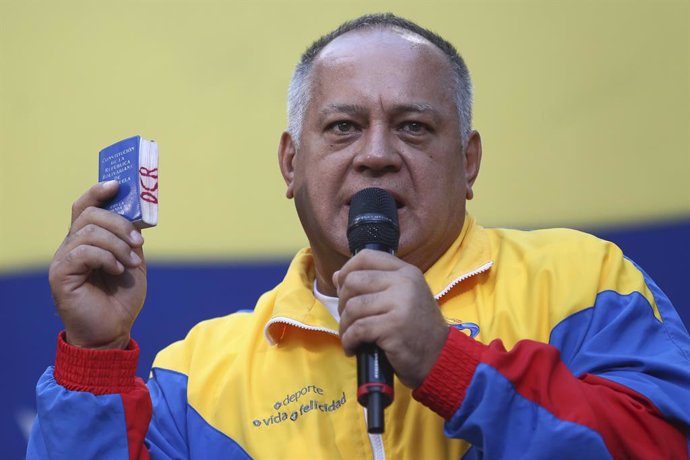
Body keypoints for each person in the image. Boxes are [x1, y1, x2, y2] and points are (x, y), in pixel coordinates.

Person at [28, 13, 690, 459]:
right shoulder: (199, 376)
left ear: (469, 163)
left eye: (413, 127)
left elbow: (663, 444)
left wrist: (447, 363)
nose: (376, 154)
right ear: (291, 163)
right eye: (343, 127)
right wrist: (93, 359)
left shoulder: (585, 282)